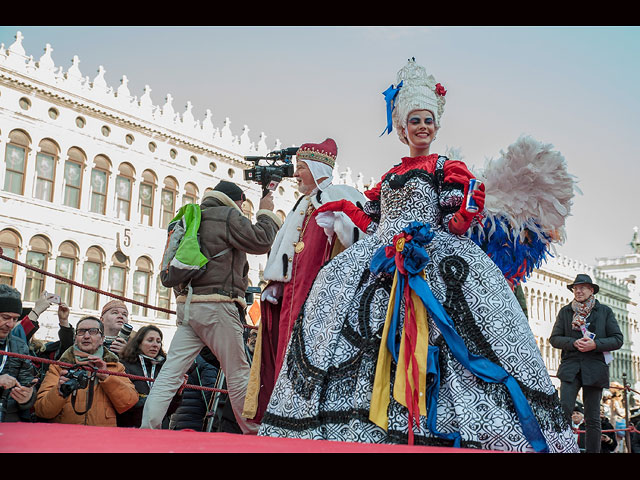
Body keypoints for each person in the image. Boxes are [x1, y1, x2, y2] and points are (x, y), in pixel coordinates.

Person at [258, 58, 578, 452]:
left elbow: (455, 223)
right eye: (415, 121)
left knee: (447, 338)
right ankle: (365, 425)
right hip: (384, 255)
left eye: (428, 120)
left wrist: (468, 211)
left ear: (436, 125)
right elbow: (374, 219)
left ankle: (438, 424)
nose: (422, 127)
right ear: (402, 128)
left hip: (431, 257)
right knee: (353, 317)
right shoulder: (391, 175)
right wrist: (338, 208)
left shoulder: (446, 167)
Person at [140, 180, 282, 434]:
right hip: (218, 305)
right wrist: (266, 212)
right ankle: (253, 431)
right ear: (236, 201)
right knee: (238, 372)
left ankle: (147, 427)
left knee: (171, 372)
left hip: (188, 306)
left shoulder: (193, 216)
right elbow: (261, 241)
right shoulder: (226, 215)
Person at [243, 138, 368, 424]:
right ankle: (282, 413)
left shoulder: (341, 193)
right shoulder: (303, 204)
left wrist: (342, 223)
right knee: (285, 350)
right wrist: (276, 281)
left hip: (322, 297)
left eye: (301, 167)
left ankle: (307, 416)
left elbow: (363, 237)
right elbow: (286, 247)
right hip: (292, 296)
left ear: (316, 167)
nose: (296, 174)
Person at [550, 273, 624, 453]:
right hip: (571, 367)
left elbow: (617, 339)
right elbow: (554, 338)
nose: (578, 291)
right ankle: (564, 450)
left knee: (592, 417)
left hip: (595, 368)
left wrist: (595, 344)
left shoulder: (604, 311)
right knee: (564, 409)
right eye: (576, 288)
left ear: (591, 290)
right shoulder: (566, 311)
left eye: (582, 287)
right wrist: (572, 343)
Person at [34, 315, 138, 426]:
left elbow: (129, 403)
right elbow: (42, 411)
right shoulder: (59, 367)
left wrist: (106, 377)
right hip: (65, 436)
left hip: (102, 437)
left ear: (102, 339)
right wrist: (59, 391)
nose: (86, 336)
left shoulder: (115, 367)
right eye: (81, 332)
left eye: (93, 331)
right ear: (75, 338)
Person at [116, 325, 181, 428]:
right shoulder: (124, 365)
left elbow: (168, 411)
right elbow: (126, 402)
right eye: (150, 340)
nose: (155, 345)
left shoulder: (164, 368)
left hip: (157, 429)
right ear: (138, 343)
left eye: (158, 341)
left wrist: (178, 393)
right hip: (129, 427)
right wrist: (155, 402)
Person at [0, 285, 37, 422]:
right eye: (5, 317)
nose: (10, 324)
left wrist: (27, 397)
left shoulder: (19, 346)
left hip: (9, 418)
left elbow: (28, 383)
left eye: (15, 319)